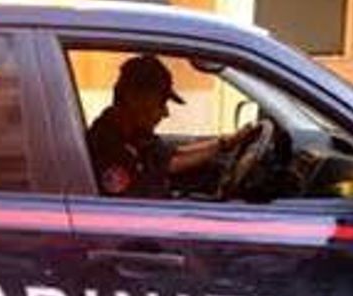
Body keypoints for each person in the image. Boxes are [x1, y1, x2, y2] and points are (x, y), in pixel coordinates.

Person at [87, 54, 261, 198]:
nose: (165, 113)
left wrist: (225, 143)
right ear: (134, 98)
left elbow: (173, 155)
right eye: (161, 103)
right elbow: (169, 166)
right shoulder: (109, 148)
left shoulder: (134, 135)